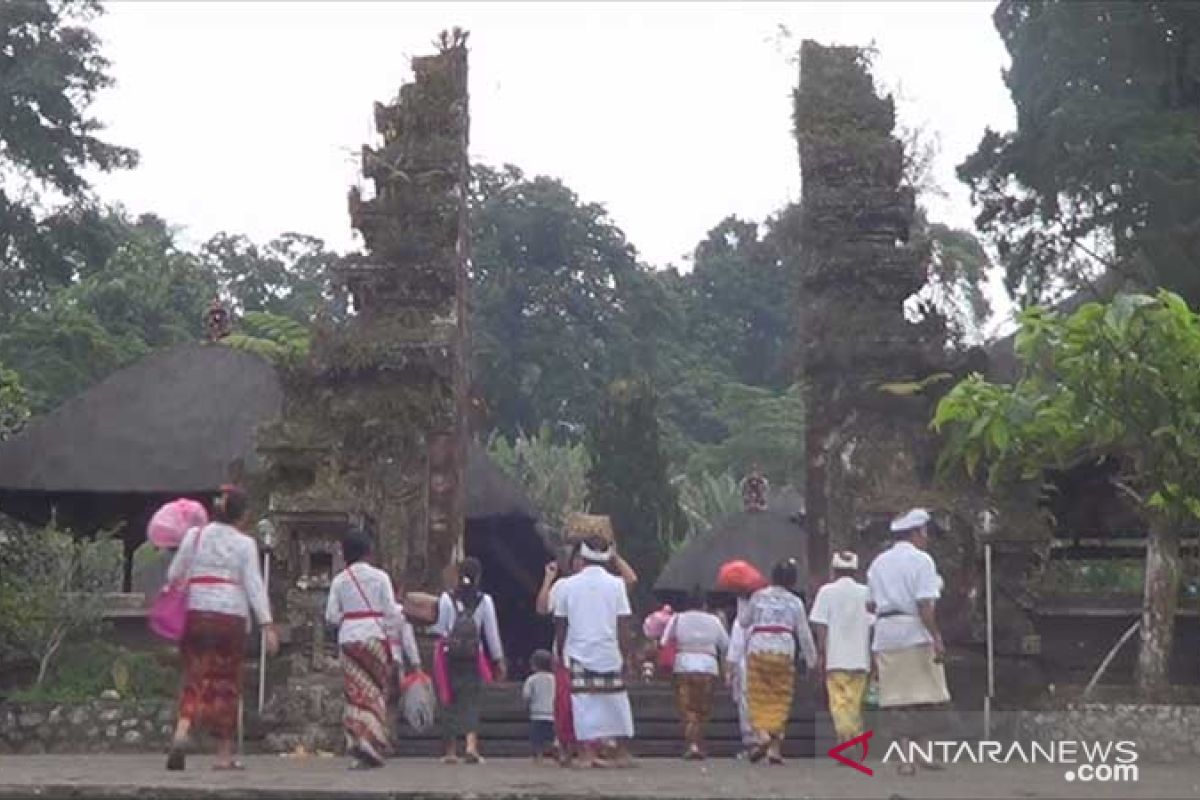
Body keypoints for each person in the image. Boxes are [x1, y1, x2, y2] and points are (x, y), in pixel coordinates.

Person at [166, 485, 278, 772]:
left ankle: (183, 728)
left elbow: (174, 573)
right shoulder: (244, 544)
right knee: (226, 682)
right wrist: (267, 624)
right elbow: (254, 584)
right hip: (230, 616)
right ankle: (223, 755)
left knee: (195, 674)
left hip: (197, 613)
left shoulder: (195, 536)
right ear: (242, 516)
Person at [536, 540, 637, 766]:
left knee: (584, 704)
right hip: (609, 650)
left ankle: (586, 753)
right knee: (616, 701)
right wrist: (627, 653)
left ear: (582, 558)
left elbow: (561, 623)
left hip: (578, 651)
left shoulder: (567, 586)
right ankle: (621, 751)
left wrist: (562, 652)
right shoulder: (615, 585)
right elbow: (623, 624)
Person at [866, 508, 951, 776]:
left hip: (886, 633)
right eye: (924, 533)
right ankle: (921, 752)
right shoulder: (922, 561)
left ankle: (906, 757)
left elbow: (870, 603)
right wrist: (936, 637)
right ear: (916, 533)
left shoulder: (878, 562)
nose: (926, 538)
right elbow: (925, 604)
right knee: (925, 696)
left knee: (896, 699)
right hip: (914, 632)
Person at [324, 529, 412, 769]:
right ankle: (372, 742)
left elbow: (331, 616)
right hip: (374, 636)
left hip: (349, 638)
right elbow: (391, 612)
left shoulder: (340, 580)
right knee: (374, 690)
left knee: (354, 693)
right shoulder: (380, 577)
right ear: (369, 552)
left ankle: (357, 743)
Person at [737, 557, 817, 765]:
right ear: (792, 581)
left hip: (759, 649)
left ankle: (762, 734)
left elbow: (744, 622)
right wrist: (812, 660)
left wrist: (743, 600)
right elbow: (804, 633)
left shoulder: (757, 596)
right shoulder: (795, 602)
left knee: (758, 695)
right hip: (783, 651)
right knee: (780, 698)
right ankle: (775, 748)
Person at [432, 557, 505, 765]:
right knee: (471, 699)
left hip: (448, 655)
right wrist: (498, 659)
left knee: (449, 699)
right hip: (474, 656)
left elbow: (439, 629)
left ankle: (450, 750)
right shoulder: (485, 601)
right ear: (479, 576)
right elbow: (491, 633)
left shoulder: (446, 599)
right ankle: (471, 746)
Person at [809, 550, 873, 745]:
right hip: (860, 658)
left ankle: (846, 738)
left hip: (836, 658)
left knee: (839, 704)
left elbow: (820, 624)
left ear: (834, 570)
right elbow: (873, 624)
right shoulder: (866, 593)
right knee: (854, 703)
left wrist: (821, 652)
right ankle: (854, 738)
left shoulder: (826, 592)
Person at [660, 589, 729, 760]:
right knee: (702, 709)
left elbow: (663, 641)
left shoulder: (677, 619)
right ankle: (698, 743)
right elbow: (726, 645)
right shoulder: (714, 620)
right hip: (708, 667)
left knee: (687, 709)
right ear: (704, 605)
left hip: (683, 666)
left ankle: (692, 744)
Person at [522, 649, 557, 763]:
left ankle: (538, 756)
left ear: (533, 665)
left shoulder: (532, 680)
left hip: (537, 714)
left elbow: (527, 695)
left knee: (537, 738)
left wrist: (526, 706)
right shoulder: (555, 679)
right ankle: (556, 750)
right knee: (552, 735)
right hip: (553, 714)